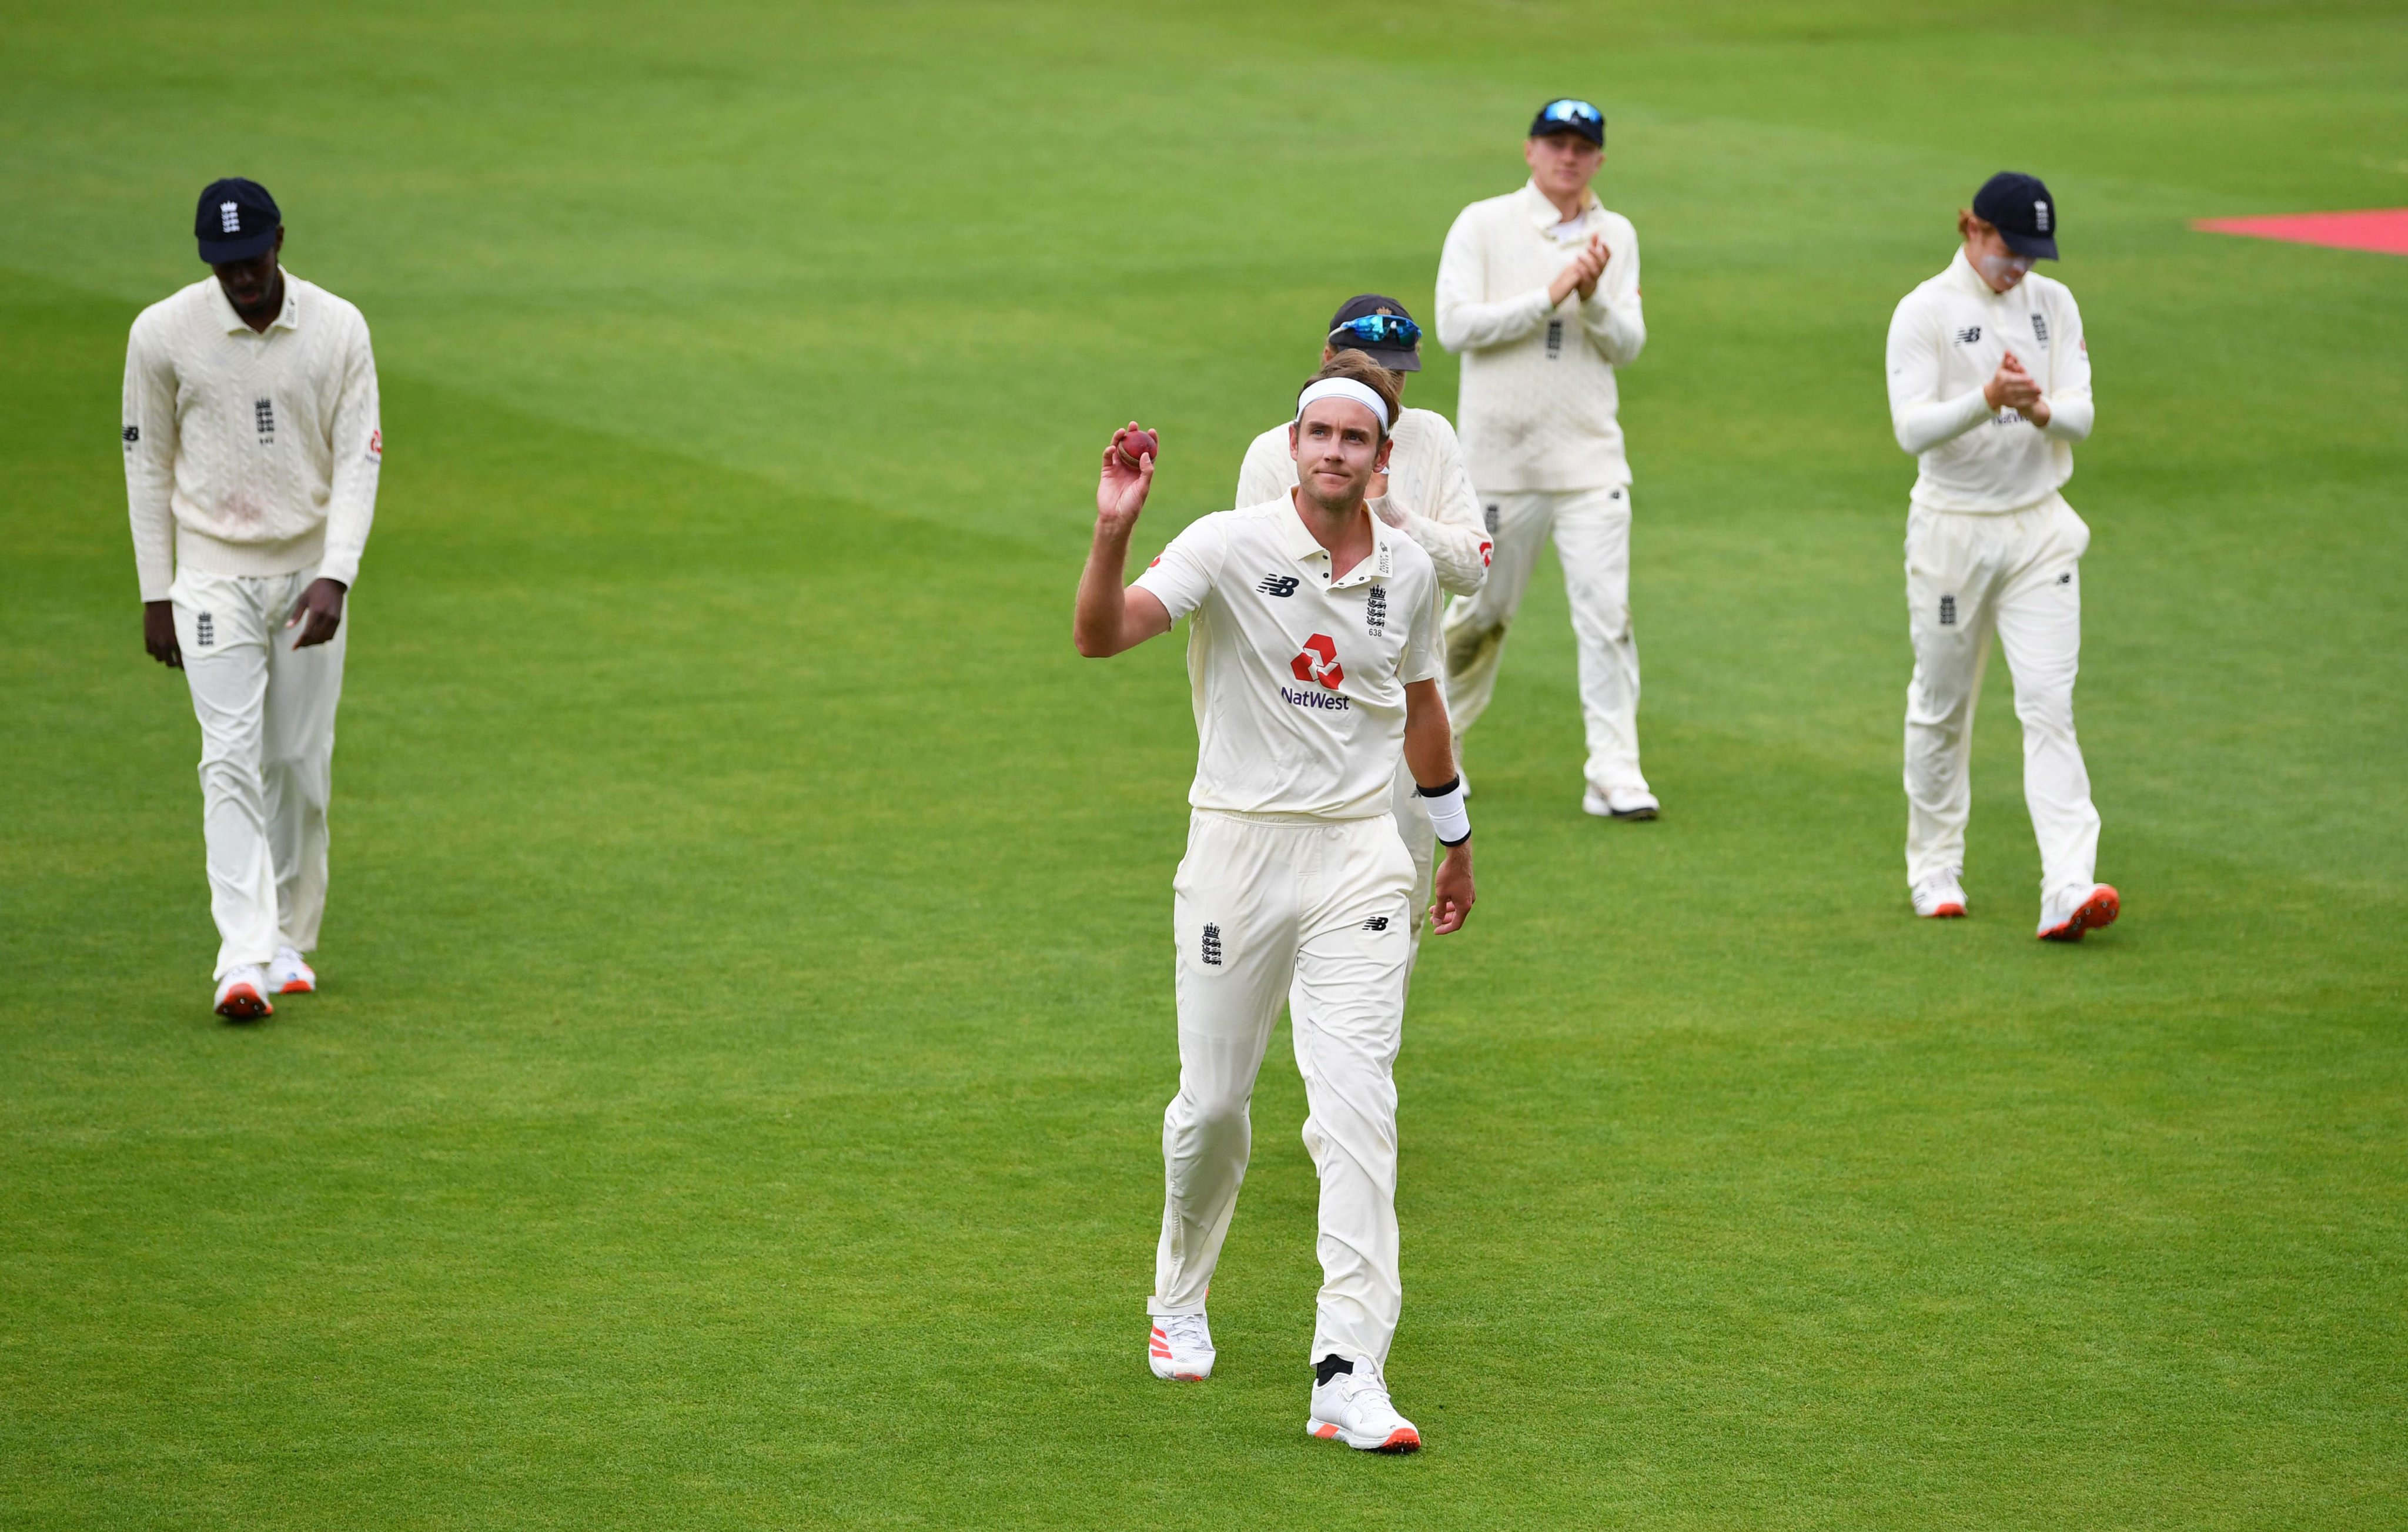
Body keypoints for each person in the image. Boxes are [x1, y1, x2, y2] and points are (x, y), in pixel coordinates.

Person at [1073, 363, 1476, 1453]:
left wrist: (1453, 840)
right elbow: (1101, 636)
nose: (1336, 451)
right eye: (1320, 434)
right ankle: (1177, 1294)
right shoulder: (1226, 542)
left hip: (1359, 862)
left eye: (1357, 438)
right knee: (1211, 1108)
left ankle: (1347, 1371)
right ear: (1293, 445)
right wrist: (1113, 532)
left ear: (1384, 461)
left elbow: (1422, 709)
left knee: (1358, 1113)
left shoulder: (1408, 570)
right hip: (1237, 854)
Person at [122, 178, 383, 1017]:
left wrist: (336, 571)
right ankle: (242, 954)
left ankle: (293, 941)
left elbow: (359, 460)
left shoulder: (339, 327)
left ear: (281, 242)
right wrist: (155, 591)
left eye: (251, 257)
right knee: (227, 758)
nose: (239, 276)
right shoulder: (162, 334)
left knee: (298, 764)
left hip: (307, 570)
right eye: (223, 263)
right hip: (211, 576)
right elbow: (146, 465)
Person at [1884, 171, 2119, 941]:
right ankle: (1935, 867)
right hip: (1953, 531)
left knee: (2049, 704)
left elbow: (2080, 411)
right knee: (1944, 705)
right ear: (1973, 229)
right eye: (2010, 248)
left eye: (2033, 253)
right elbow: (1912, 431)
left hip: (2040, 528)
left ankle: (2068, 885)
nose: (2021, 266)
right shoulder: (1925, 311)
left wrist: (2038, 406)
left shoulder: (2053, 304)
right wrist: (1987, 398)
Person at [1233, 296, 1491, 971]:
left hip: (1404, 711)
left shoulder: (1429, 439)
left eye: (1398, 377)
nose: (1386, 389)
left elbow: (1473, 569)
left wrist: (1395, 517)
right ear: (1326, 362)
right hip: (1297, 720)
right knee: (1272, 917)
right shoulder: (1272, 453)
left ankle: (1365, 1074)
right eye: (1369, 369)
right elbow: (1257, 584)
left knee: (1394, 908)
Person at [1433, 97, 1655, 819]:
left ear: (1598, 158)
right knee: (1479, 617)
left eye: (1582, 147)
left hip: (1591, 463)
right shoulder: (1483, 223)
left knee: (1607, 616)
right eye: (1555, 143)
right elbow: (1455, 326)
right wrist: (1550, 293)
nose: (1568, 157)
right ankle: (1440, 754)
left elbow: (1627, 344)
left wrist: (1589, 299)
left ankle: (1614, 773)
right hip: (1500, 463)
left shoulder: (1615, 234)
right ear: (1529, 150)